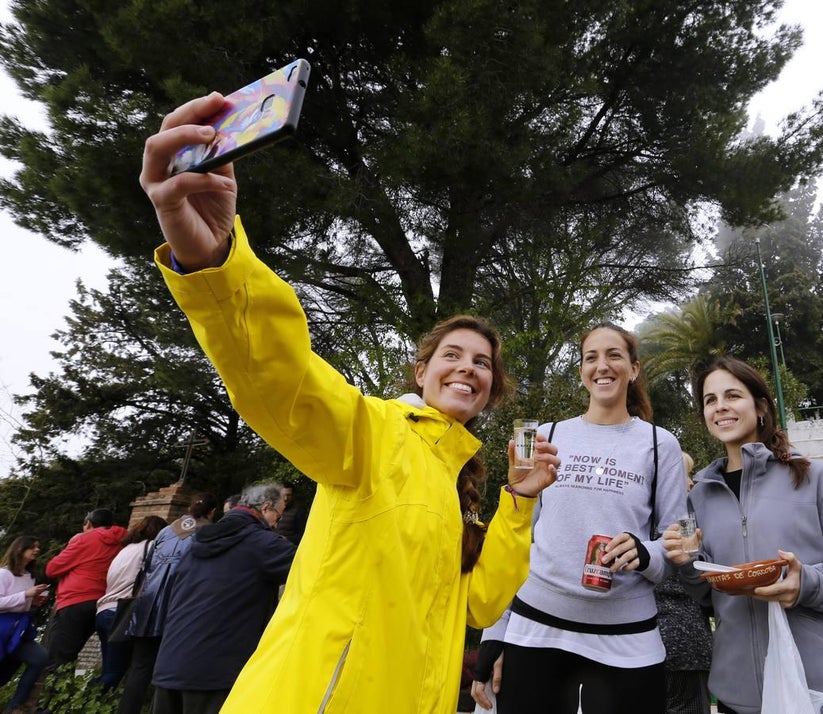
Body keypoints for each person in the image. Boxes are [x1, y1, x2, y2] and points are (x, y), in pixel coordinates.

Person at [140, 93, 559, 714]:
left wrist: (520, 502)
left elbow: (479, 604)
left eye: (482, 363)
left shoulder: (458, 483)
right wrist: (217, 263)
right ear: (421, 371)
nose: (468, 368)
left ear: (490, 390)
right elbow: (281, 378)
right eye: (452, 354)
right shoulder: (373, 430)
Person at [472, 324, 688, 714]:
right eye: (591, 358)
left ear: (634, 369)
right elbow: (516, 538)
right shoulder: (546, 436)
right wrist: (496, 631)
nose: (602, 366)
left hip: (628, 639)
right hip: (535, 628)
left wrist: (645, 553)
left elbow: (676, 544)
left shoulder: (662, 445)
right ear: (582, 371)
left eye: (614, 355)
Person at [664, 356, 823, 714]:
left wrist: (805, 583)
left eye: (733, 395)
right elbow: (705, 597)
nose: (720, 407)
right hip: (740, 697)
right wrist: (688, 563)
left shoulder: (816, 479)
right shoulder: (698, 497)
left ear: (761, 407)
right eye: (710, 400)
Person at [150, 484, 296, 714]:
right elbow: (316, 570)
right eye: (278, 515)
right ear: (266, 508)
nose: (277, 523)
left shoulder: (195, 544)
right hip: (216, 670)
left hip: (170, 662)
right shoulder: (263, 543)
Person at [119, 493, 217, 714]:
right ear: (212, 512)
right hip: (177, 608)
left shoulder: (165, 531)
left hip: (147, 605)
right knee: (168, 671)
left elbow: (146, 566)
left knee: (139, 669)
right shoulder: (207, 534)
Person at [654, 453, 713, 714]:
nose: (690, 483)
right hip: (687, 642)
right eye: (685, 476)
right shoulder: (685, 522)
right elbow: (692, 573)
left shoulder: (638, 516)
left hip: (643, 645)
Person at [43, 508, 126, 675]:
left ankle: (53, 691)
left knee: (59, 659)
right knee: (73, 653)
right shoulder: (123, 540)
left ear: (88, 523)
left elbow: (52, 569)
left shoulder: (84, 539)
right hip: (101, 602)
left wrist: (72, 543)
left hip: (74, 600)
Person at [94, 516, 167, 691]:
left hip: (104, 610)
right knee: (115, 673)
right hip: (123, 612)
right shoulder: (151, 548)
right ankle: (92, 700)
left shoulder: (125, 550)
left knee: (109, 669)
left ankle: (88, 698)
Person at [0, 537, 50, 714]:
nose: (37, 550)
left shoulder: (30, 577)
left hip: (19, 629)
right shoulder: (4, 574)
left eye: (38, 546)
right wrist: (26, 595)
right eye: (32, 547)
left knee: (40, 657)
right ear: (19, 549)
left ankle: (15, 705)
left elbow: (22, 602)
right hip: (2, 628)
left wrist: (34, 602)